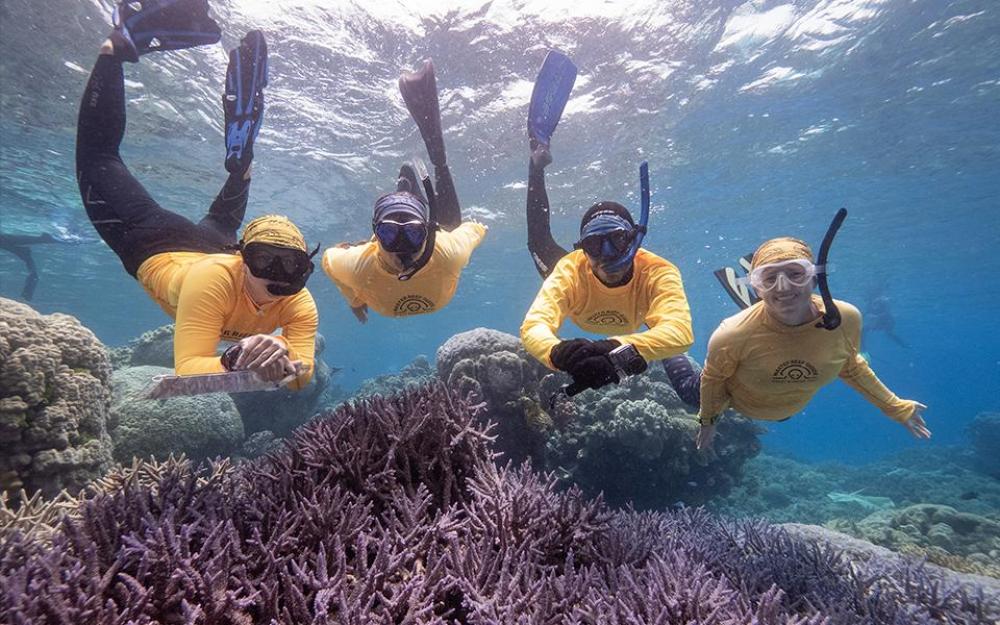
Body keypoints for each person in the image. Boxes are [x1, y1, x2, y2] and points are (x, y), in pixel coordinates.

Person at [76, 0, 317, 388]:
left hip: (213, 245)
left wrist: (286, 365)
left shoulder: (300, 304)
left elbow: (301, 378)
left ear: (306, 269)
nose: (277, 277)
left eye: (292, 267)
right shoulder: (217, 280)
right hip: (155, 240)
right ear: (243, 258)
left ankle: (242, 167)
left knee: (223, 220)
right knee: (98, 156)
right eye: (265, 260)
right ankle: (116, 49)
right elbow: (187, 367)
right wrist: (239, 359)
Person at [663, 236, 930, 450]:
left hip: (784, 408)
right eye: (769, 278)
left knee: (782, 412)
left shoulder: (845, 318)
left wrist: (896, 407)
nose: (783, 287)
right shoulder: (730, 334)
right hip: (733, 397)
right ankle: (666, 333)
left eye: (795, 274)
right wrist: (709, 420)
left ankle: (762, 307)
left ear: (815, 277)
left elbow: (850, 367)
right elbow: (714, 378)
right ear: (756, 287)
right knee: (689, 392)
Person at [321, 60, 487, 321]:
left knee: (451, 226)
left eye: (412, 233)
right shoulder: (357, 266)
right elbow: (328, 262)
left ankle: (414, 184)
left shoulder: (449, 252)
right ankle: (432, 169)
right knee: (453, 224)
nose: (402, 248)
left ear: (426, 230)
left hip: (433, 237)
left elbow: (477, 230)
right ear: (375, 233)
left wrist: (355, 298)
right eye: (388, 233)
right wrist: (352, 299)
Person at [0, 232, 67, 300]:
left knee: (32, 272)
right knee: (33, 272)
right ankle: (26, 296)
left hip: (15, 245)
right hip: (15, 245)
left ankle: (26, 296)